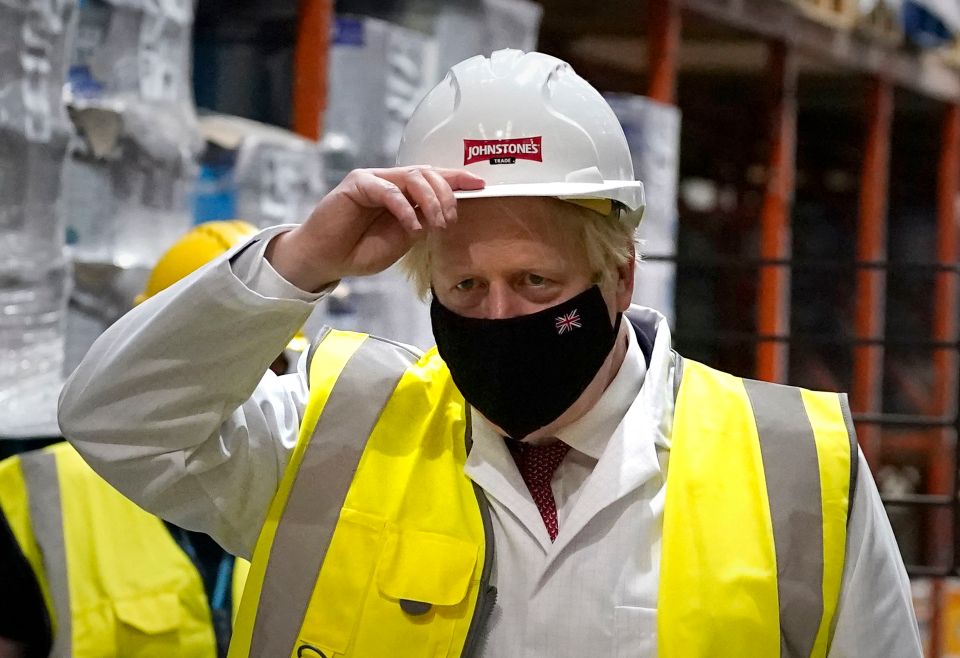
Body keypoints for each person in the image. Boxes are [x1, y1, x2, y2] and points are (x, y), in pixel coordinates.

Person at [59, 50, 921, 657]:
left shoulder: (791, 471)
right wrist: (302, 262)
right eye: (465, 290)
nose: (499, 315)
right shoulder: (340, 432)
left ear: (619, 278)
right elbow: (117, 422)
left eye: (537, 283)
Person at [0, 221, 265, 658]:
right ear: (152, 357)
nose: (253, 385)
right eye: (223, 361)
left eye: (271, 362)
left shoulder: (298, 487)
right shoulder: (36, 492)